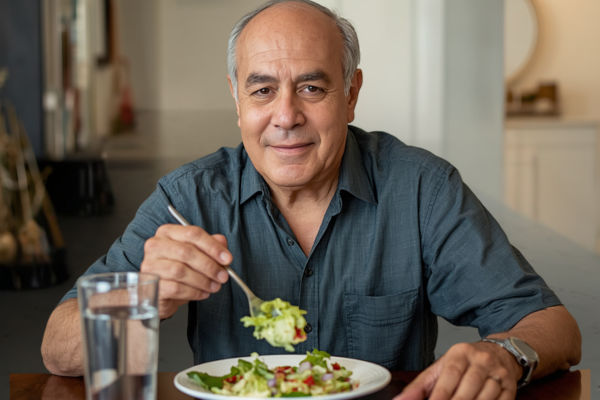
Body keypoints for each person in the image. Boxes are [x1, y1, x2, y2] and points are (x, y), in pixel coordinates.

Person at [41, 1, 581, 399]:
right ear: (236, 99)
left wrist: (504, 354)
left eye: (311, 88)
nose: (285, 116)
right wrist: (142, 294)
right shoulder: (190, 197)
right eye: (261, 90)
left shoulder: (421, 189)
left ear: (351, 93)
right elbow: (57, 350)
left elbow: (553, 325)